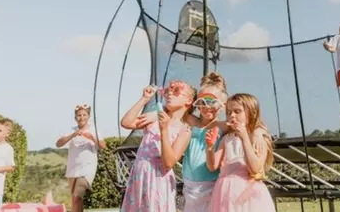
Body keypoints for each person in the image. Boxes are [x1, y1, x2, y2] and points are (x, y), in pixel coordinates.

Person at [120, 81, 196, 212]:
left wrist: (164, 129)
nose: (170, 93)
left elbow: (169, 163)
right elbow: (126, 122)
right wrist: (144, 99)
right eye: (167, 91)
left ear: (189, 101)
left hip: (158, 180)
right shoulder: (154, 118)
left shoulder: (184, 130)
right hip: (139, 176)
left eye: (176, 90)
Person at [207, 93, 276, 212]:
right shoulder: (226, 139)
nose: (232, 115)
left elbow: (255, 168)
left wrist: (244, 138)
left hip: (247, 193)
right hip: (224, 193)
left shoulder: (257, 137)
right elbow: (212, 166)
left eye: (237, 111)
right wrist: (209, 148)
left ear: (251, 113)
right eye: (228, 112)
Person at [181, 72, 229, 212]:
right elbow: (174, 110)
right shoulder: (191, 121)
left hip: (212, 183)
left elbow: (246, 122)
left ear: (221, 104)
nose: (207, 106)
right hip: (190, 185)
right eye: (202, 102)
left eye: (212, 101)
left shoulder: (223, 126)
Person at [55, 103, 106, 212]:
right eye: (79, 115)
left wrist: (92, 137)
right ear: (75, 117)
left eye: (84, 115)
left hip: (87, 169)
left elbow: (103, 145)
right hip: (73, 169)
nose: (81, 117)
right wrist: (72, 135)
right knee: (75, 199)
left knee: (77, 196)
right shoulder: (71, 130)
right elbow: (58, 144)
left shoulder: (93, 130)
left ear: (88, 116)